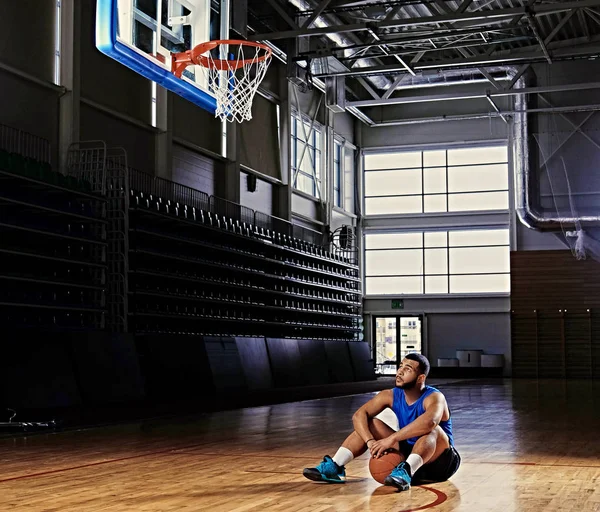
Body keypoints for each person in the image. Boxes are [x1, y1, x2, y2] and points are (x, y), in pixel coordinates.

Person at [302, 353, 460, 491]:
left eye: (408, 369)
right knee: (371, 424)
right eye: (400, 366)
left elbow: (429, 423)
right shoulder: (391, 395)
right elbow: (359, 415)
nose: (400, 372)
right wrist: (370, 442)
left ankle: (406, 470)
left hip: (440, 463)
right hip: (410, 452)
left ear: (421, 378)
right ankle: (335, 466)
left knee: (433, 430)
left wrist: (390, 439)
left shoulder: (434, 396)